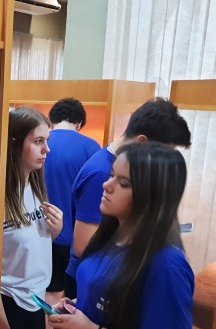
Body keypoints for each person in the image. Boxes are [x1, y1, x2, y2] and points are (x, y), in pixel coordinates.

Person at [50, 142, 193, 329]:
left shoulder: (165, 264)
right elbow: (110, 296)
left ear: (152, 195)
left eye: (123, 182)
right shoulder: (111, 233)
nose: (107, 185)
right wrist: (78, 307)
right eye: (112, 175)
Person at [64, 98, 191, 301]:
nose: (109, 185)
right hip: (93, 277)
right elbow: (83, 244)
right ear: (142, 143)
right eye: (160, 152)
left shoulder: (168, 265)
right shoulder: (101, 172)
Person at [0, 106, 63, 329]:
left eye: (46, 141)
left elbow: (33, 243)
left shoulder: (34, 187)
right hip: (7, 303)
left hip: (34, 302)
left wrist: (55, 230)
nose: (46, 149)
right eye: (38, 141)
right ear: (15, 142)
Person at [40, 98, 101, 329]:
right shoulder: (90, 148)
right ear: (79, 122)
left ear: (53, 119)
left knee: (44, 292)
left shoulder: (41, 142)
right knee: (68, 298)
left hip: (39, 232)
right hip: (74, 237)